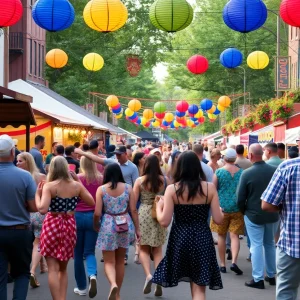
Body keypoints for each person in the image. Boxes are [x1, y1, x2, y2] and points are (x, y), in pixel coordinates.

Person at [152, 151, 223, 300]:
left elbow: (164, 222)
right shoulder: (209, 188)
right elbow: (218, 219)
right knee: (199, 288)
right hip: (202, 237)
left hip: (180, 238)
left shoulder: (172, 189)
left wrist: (159, 207)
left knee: (192, 280)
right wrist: (221, 211)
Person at [35, 156, 94, 300]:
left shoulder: (49, 186)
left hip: (52, 224)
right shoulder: (76, 186)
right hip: (69, 225)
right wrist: (79, 182)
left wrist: (38, 194)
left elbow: (42, 209)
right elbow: (91, 202)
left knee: (53, 269)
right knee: (63, 269)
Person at [94, 163, 140, 300]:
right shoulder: (128, 188)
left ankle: (112, 284)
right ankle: (118, 293)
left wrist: (95, 224)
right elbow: (133, 210)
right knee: (120, 261)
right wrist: (137, 228)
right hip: (125, 224)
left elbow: (97, 212)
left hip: (108, 223)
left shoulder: (101, 190)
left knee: (108, 262)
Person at [0, 134, 37, 300]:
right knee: (22, 274)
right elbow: (34, 207)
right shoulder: (25, 176)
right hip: (20, 231)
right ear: (12, 153)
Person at [236, 144, 278, 289]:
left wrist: (244, 211)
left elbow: (240, 198)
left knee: (256, 245)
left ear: (252, 155)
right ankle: (272, 275)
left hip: (253, 214)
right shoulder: (274, 171)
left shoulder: (247, 173)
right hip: (272, 214)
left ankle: (258, 278)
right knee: (270, 244)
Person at [261, 156, 300, 300]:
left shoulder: (288, 167)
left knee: (286, 292)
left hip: (292, 243)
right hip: (291, 243)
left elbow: (266, 205)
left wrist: (287, 206)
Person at [133, 155, 171, 297]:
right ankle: (158, 278)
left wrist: (134, 220)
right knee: (157, 250)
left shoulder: (140, 181)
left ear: (146, 165)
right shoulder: (165, 180)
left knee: (143, 247)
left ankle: (149, 275)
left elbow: (133, 204)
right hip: (159, 213)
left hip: (144, 213)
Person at [16, 152, 47, 288]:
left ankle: (35, 268)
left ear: (27, 162)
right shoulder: (41, 177)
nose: (17, 163)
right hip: (39, 213)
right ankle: (34, 269)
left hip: (25, 214)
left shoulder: (18, 177)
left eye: (20, 161)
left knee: (35, 242)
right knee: (38, 242)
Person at [210, 148, 244, 275]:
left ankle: (223, 264)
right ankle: (234, 261)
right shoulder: (242, 172)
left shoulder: (219, 172)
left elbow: (213, 189)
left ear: (224, 159)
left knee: (221, 236)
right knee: (235, 236)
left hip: (221, 208)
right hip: (237, 208)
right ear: (235, 158)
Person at [73, 156, 103, 298]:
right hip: (93, 216)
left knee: (77, 254)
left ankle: (82, 287)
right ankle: (92, 275)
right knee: (89, 251)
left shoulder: (77, 178)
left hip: (77, 216)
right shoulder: (101, 179)